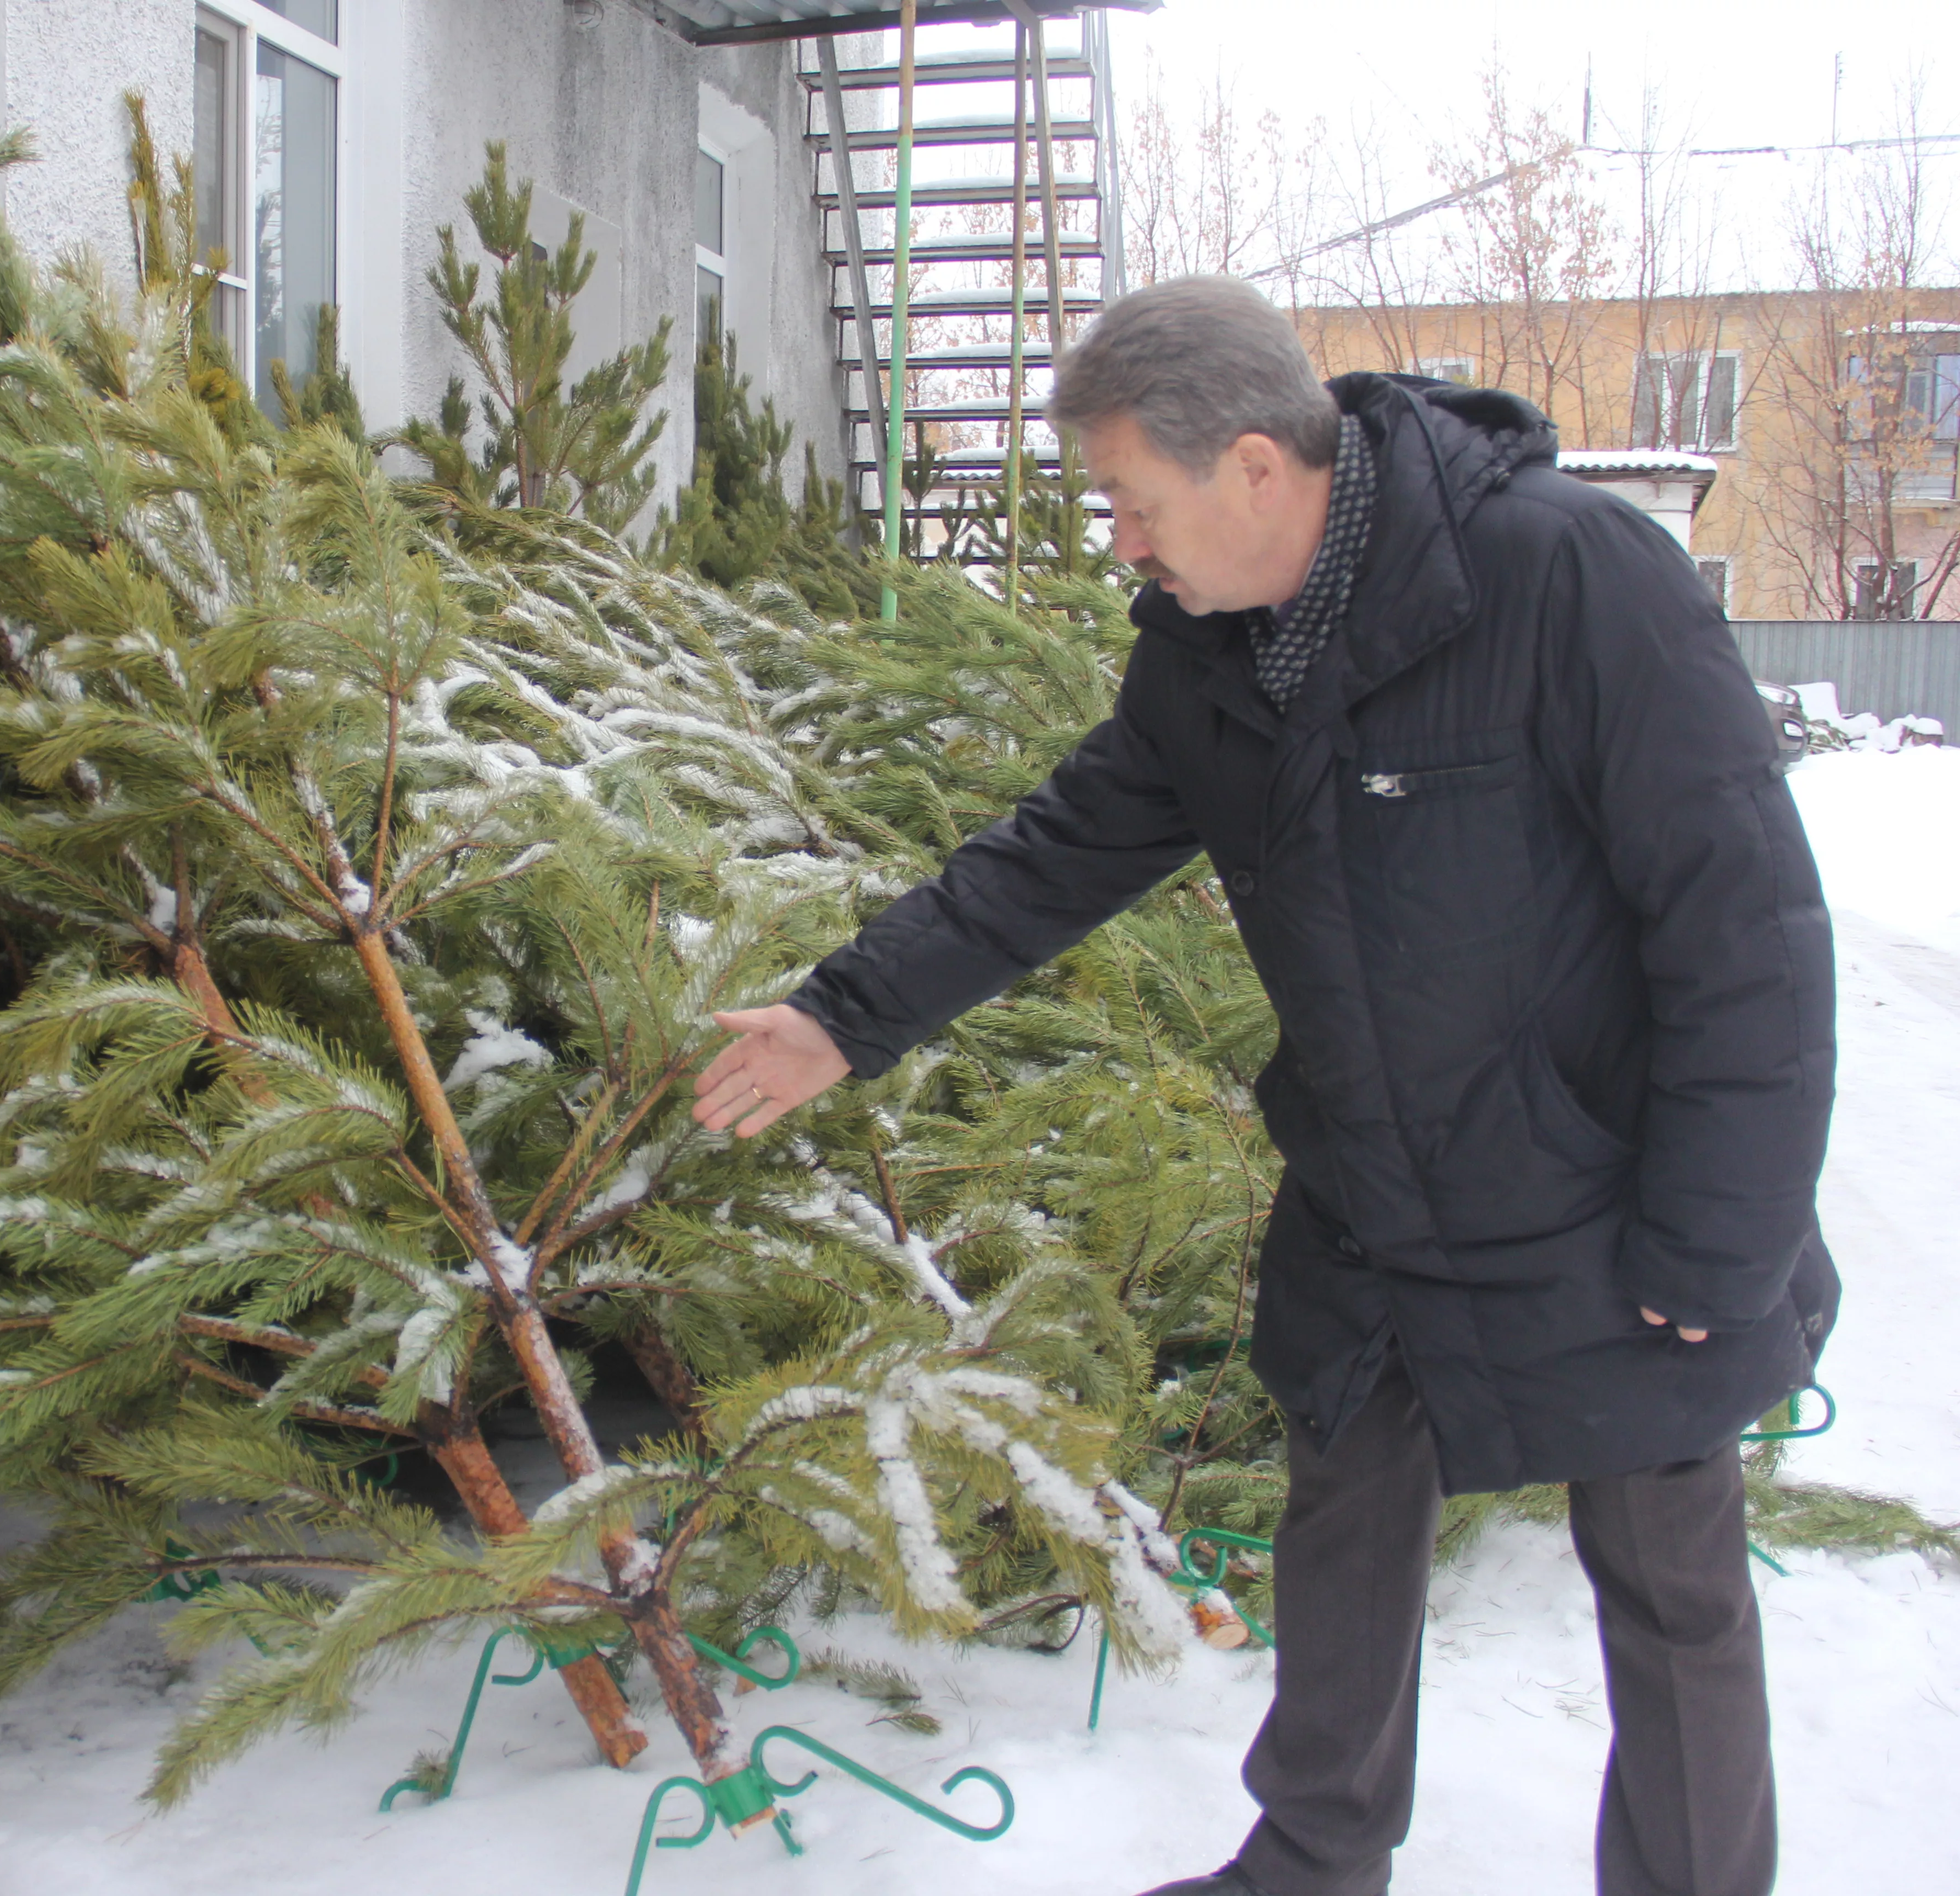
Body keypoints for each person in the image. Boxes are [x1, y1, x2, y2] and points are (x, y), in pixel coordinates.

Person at [694, 275, 1837, 1896]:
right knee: (1343, 1529)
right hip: (1373, 1188)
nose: (1122, 546)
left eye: (1131, 505)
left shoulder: (1567, 575)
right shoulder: (1210, 661)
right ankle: (1307, 1866)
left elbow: (1751, 935)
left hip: (1600, 1191)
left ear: (1249, 465)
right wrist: (840, 1018)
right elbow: (1050, 859)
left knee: (1670, 1591)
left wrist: (1719, 1243)